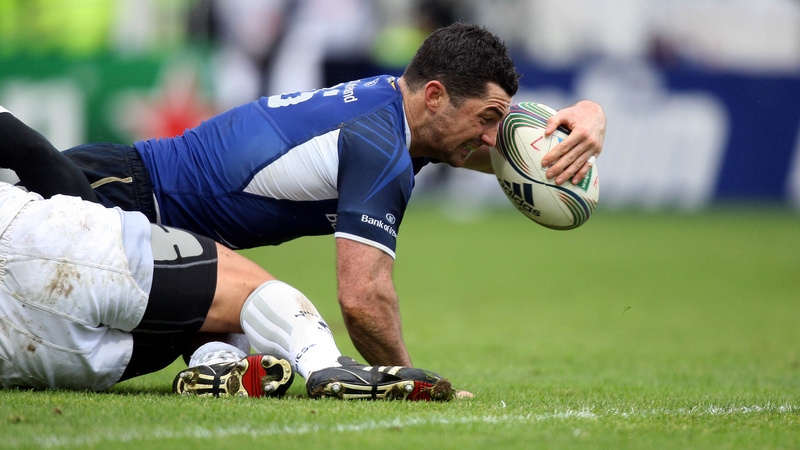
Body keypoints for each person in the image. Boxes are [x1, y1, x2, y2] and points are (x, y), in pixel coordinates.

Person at [24, 23, 607, 368]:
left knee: (247, 346)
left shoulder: (400, 113)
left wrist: (589, 114)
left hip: (161, 228)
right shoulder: (380, 143)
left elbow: (496, 154)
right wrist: (406, 380)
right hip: (115, 202)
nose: (490, 138)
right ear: (434, 95)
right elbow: (362, 299)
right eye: (486, 118)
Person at [0, 107, 455, 401]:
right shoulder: (378, 131)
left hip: (20, 332)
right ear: (434, 95)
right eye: (488, 120)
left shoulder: (383, 112)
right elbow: (29, 148)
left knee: (199, 308)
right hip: (120, 191)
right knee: (246, 290)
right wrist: (91, 224)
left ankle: (216, 367)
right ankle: (326, 365)